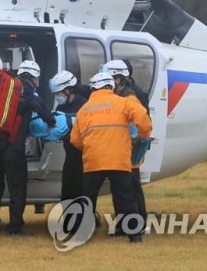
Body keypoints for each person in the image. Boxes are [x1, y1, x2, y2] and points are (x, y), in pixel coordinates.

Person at [70, 71, 151, 243]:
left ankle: (82, 234)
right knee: (126, 198)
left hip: (93, 161)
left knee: (88, 199)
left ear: (94, 88)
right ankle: (135, 235)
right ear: (111, 86)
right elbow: (143, 118)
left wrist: (90, 147)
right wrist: (143, 134)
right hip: (119, 161)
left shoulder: (84, 109)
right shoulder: (123, 102)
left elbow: (75, 140)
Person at [0, 60, 56, 237]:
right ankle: (15, 227)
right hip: (13, 148)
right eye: (37, 78)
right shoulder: (27, 91)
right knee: (17, 187)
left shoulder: (5, 86)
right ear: (32, 77)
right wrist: (52, 122)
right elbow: (41, 109)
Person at [100, 59, 151, 225]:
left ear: (118, 79)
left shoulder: (130, 97)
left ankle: (135, 222)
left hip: (130, 148)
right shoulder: (123, 94)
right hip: (124, 148)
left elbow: (141, 123)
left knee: (130, 187)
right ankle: (127, 223)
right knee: (124, 187)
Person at [48, 70, 88, 201]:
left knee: (81, 191)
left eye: (58, 93)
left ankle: (83, 218)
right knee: (67, 190)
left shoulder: (84, 105)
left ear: (69, 90)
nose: (57, 97)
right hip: (70, 156)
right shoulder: (60, 107)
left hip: (84, 157)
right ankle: (68, 219)